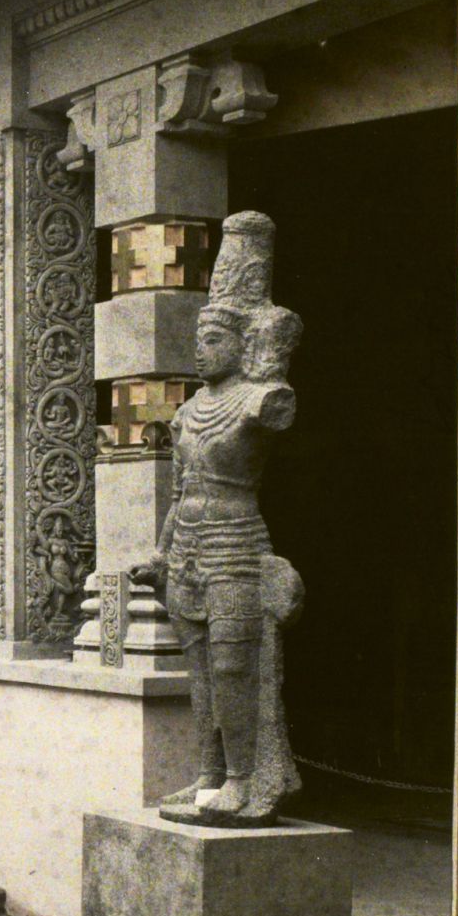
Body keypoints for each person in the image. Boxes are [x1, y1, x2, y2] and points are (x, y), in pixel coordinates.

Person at [129, 211, 304, 828]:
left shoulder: (262, 400)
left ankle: (244, 778)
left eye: (212, 341)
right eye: (199, 339)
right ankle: (207, 776)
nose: (200, 350)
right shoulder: (191, 409)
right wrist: (161, 551)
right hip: (189, 550)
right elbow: (179, 491)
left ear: (242, 343)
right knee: (198, 667)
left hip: (235, 544)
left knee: (235, 667)